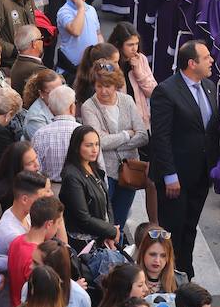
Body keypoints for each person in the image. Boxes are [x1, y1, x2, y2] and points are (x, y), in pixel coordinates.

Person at [150, 41, 218, 279]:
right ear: (192, 63)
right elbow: (161, 136)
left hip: (200, 174)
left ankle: (185, 272)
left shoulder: (209, 86)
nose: (212, 60)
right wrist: (170, 175)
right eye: (206, 57)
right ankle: (167, 276)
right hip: (175, 178)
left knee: (189, 227)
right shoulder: (166, 91)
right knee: (173, 230)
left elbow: (209, 130)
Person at [81, 61, 147, 237]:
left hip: (129, 172)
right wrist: (126, 135)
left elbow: (142, 135)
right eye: (99, 86)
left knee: (120, 219)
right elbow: (98, 142)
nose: (103, 91)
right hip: (104, 171)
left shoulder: (127, 100)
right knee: (102, 220)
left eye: (108, 86)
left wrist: (113, 142)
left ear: (116, 85)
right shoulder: (89, 106)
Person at [59, 124, 119, 252]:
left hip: (101, 236)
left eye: (97, 144)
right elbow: (83, 218)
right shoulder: (72, 176)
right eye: (89, 145)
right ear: (77, 147)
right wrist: (112, 231)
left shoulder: (93, 168)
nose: (94, 149)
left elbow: (106, 203)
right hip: (84, 243)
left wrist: (110, 231)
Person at [7, 196, 64, 307]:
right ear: (48, 224)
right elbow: (43, 294)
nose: (58, 228)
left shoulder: (16, 241)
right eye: (58, 223)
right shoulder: (38, 256)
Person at [57, 0, 102, 77]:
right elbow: (75, 31)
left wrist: (102, 53)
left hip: (91, 65)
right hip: (72, 67)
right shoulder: (64, 11)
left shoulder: (91, 9)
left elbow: (98, 34)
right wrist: (81, 8)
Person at [31, 84, 80, 185]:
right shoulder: (85, 132)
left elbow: (35, 168)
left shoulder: (40, 134)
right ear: (72, 107)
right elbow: (99, 165)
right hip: (80, 189)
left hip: (49, 190)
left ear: (51, 109)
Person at [23, 67, 61, 141]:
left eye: (60, 89)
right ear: (41, 93)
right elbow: (44, 145)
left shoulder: (63, 102)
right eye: (53, 92)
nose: (59, 94)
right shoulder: (35, 118)